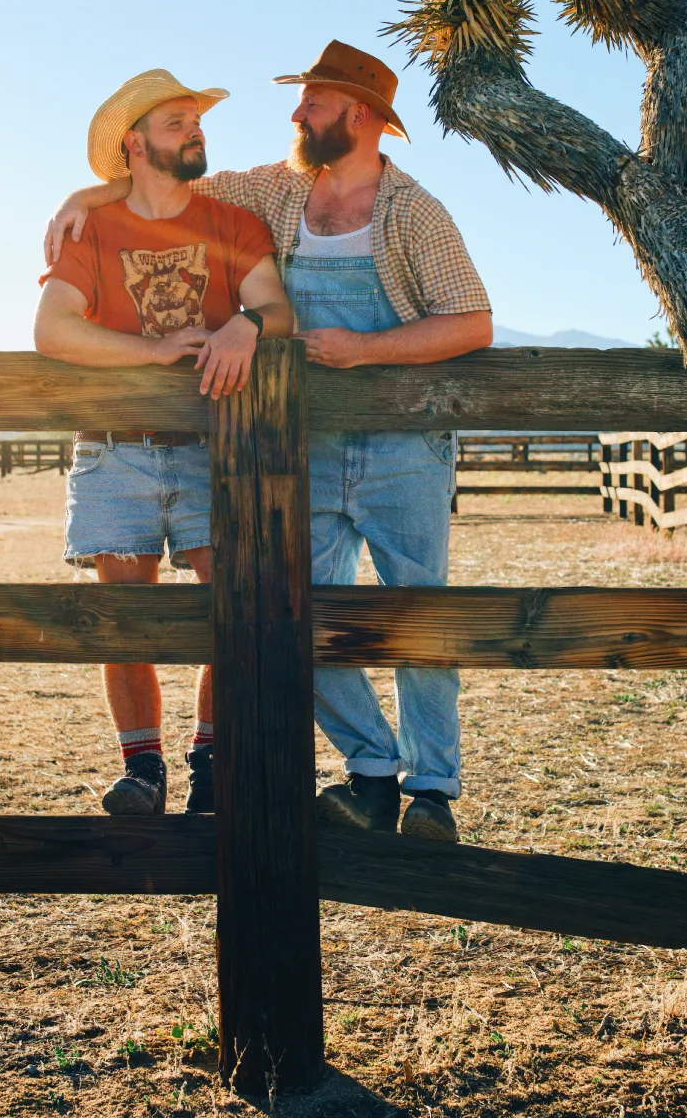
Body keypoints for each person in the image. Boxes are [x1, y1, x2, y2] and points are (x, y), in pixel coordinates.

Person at [45, 42, 492, 841]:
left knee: (416, 619)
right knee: (293, 620)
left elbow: (473, 322)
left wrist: (360, 350)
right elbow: (167, 181)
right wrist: (90, 189)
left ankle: (432, 793)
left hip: (403, 448)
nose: (294, 114)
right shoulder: (278, 193)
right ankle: (370, 772)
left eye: (311, 102)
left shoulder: (413, 211)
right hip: (304, 448)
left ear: (357, 114)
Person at [35, 68, 293, 817]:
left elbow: (278, 307)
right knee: (125, 618)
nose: (196, 131)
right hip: (113, 449)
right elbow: (53, 330)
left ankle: (212, 759)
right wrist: (151, 353)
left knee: (229, 606)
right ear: (135, 143)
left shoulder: (234, 226)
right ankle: (142, 769)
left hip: (211, 445)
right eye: (177, 122)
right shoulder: (93, 228)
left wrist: (246, 322)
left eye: (196, 121)